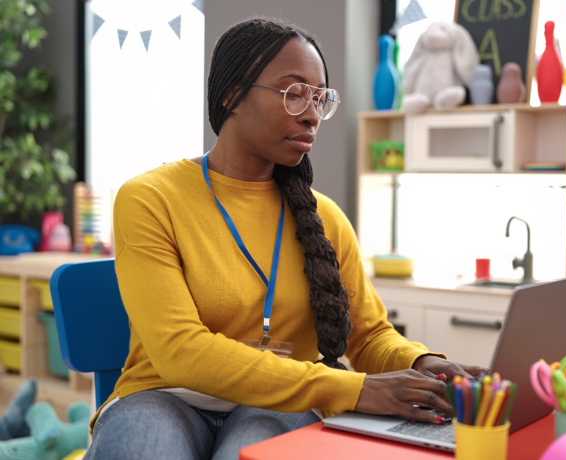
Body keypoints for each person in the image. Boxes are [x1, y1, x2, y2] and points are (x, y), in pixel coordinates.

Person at [84, 17, 485, 460]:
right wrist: (353, 388)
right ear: (231, 95)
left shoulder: (325, 217)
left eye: (320, 98)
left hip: (283, 403)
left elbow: (368, 335)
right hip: (165, 394)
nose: (313, 114)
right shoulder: (150, 198)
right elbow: (180, 350)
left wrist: (422, 364)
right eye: (294, 94)